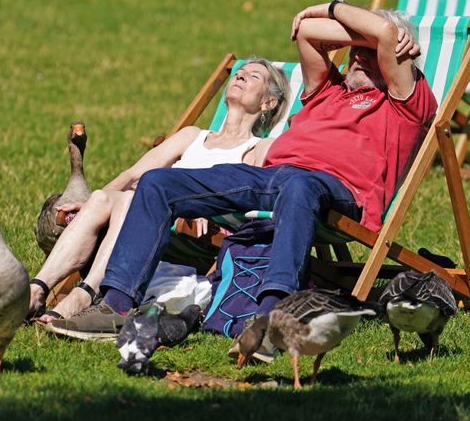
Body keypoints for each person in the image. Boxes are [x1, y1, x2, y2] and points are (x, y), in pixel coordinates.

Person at [48, 0, 436, 339]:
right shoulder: (328, 91)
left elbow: (383, 34)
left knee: (299, 186)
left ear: (394, 59)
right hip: (270, 177)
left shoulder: (405, 103)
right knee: (158, 182)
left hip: (335, 192)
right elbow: (307, 32)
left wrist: (356, 20)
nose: (356, 55)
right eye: (353, 49)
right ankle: (115, 304)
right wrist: (343, 21)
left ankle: (271, 315)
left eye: (367, 52)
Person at [28, 58, 291, 323]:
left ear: (268, 103)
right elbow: (131, 174)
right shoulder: (192, 136)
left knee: (131, 200)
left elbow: (257, 198)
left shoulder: (260, 147)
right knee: (100, 198)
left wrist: (207, 209)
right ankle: (37, 290)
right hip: (159, 218)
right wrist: (87, 208)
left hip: (203, 236)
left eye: (254, 77)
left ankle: (85, 295)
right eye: (240, 73)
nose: (241, 76)